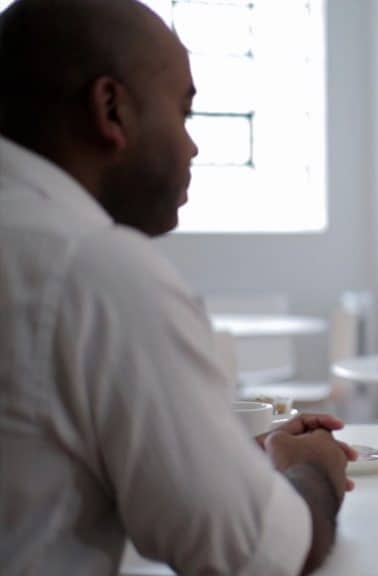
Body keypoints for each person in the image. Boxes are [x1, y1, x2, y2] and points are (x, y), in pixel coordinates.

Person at [0, 1, 355, 574]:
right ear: (110, 109)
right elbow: (260, 555)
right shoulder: (95, 268)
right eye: (184, 112)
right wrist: (314, 468)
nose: (193, 147)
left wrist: (226, 462)